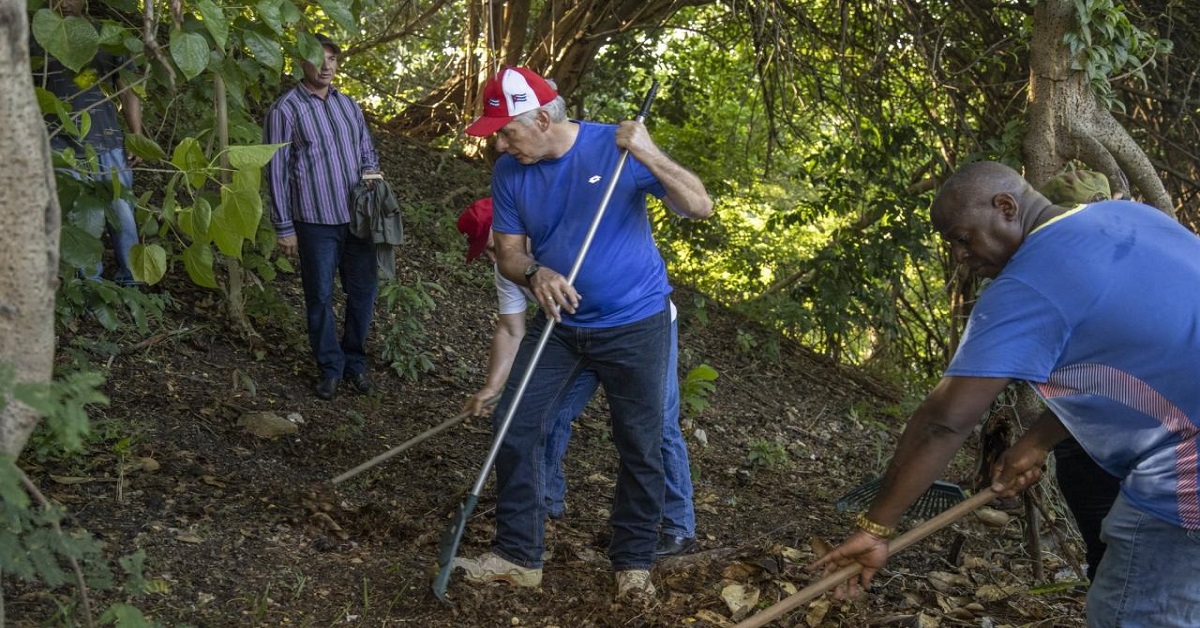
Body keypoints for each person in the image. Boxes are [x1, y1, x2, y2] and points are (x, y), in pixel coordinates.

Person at [810, 161, 1200, 627]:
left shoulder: (1028, 283)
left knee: (1130, 612)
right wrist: (1037, 441)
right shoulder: (1133, 217)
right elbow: (1147, 359)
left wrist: (876, 528)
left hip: (1186, 477)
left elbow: (944, 421)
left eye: (962, 237)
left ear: (1006, 207)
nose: (959, 256)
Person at [451, 67, 713, 602]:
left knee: (641, 442)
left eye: (506, 132)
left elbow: (699, 206)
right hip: (561, 325)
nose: (499, 144)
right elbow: (509, 254)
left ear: (542, 120)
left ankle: (633, 563)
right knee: (516, 424)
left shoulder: (615, 150)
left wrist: (649, 152)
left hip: (634, 323)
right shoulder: (510, 171)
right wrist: (535, 273)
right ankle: (518, 555)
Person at [456, 197, 698, 555]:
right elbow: (510, 329)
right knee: (547, 412)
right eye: (486, 253)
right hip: (569, 337)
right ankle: (544, 501)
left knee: (656, 423)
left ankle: (677, 525)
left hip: (638, 328)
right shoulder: (508, 268)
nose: (493, 258)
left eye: (493, 247)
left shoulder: (566, 240)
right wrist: (493, 387)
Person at [264, 34, 382, 401]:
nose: (327, 65)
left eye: (332, 58)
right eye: (319, 58)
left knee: (363, 292)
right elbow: (276, 172)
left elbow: (367, 152)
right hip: (315, 220)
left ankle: (355, 363)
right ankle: (330, 367)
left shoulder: (349, 105)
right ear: (302, 63)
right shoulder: (285, 110)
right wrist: (284, 226)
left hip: (357, 219)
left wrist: (371, 182)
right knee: (319, 296)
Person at [1037, 169, 1123, 582]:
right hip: (1084, 440)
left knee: (1116, 559)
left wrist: (1033, 443)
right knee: (1108, 552)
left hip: (1113, 437)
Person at [35, 0, 143, 286]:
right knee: (79, 217)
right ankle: (89, 284)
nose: (64, 2)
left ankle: (131, 280)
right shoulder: (36, 36)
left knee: (122, 213)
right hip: (58, 144)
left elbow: (127, 89)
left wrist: (136, 135)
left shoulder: (107, 37)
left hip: (107, 139)